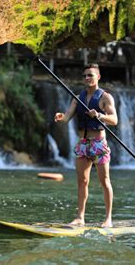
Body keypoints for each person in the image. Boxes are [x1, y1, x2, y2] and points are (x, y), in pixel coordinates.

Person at [54, 64, 118, 228]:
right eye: (84, 76)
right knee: (82, 182)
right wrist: (61, 116)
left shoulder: (105, 97)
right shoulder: (77, 97)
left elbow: (114, 120)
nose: (87, 78)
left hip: (98, 145)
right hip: (83, 144)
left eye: (90, 75)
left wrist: (100, 115)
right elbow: (67, 117)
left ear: (98, 77)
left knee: (105, 181)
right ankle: (80, 217)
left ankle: (108, 218)